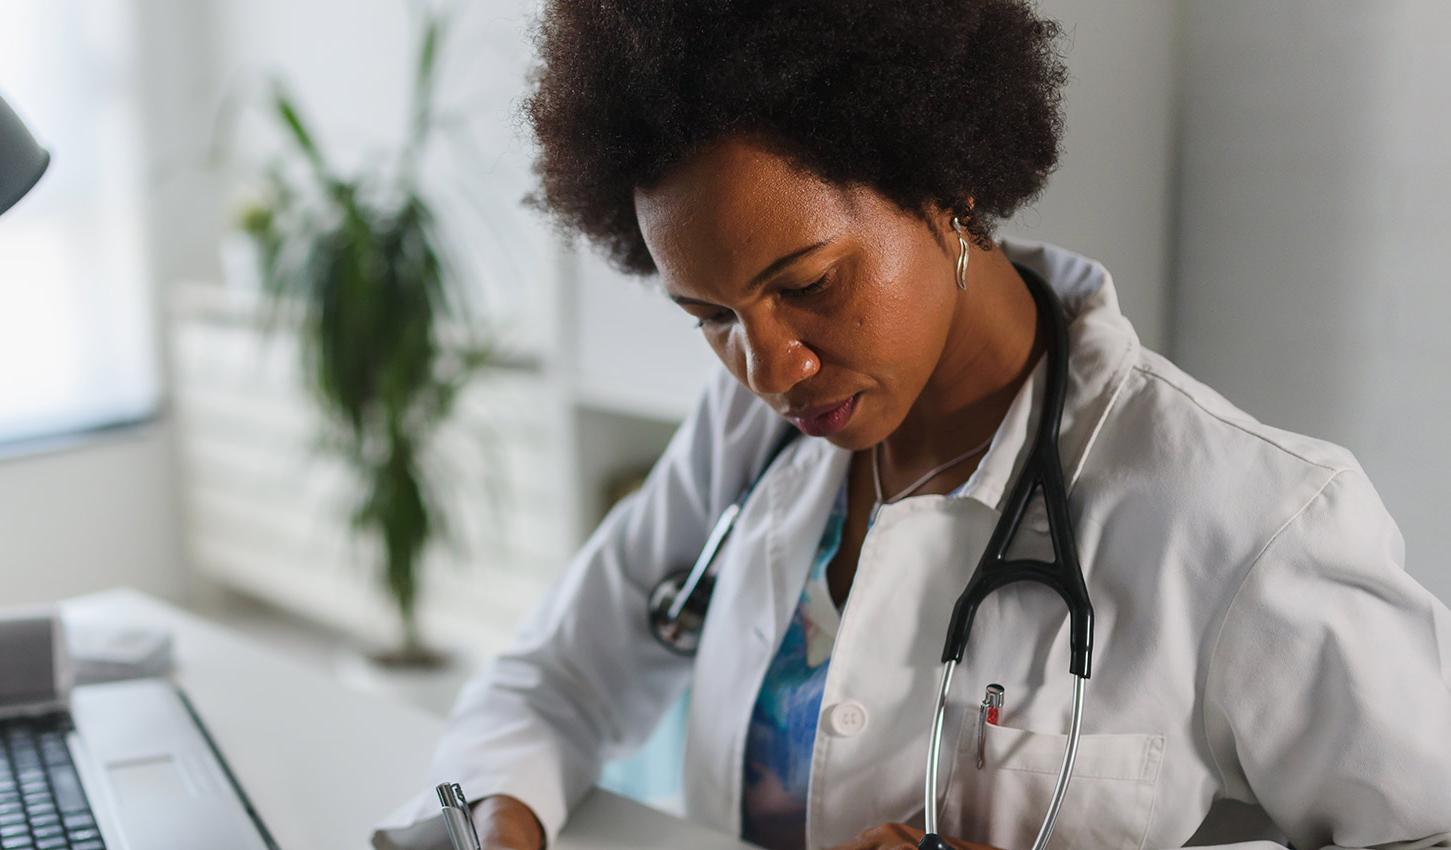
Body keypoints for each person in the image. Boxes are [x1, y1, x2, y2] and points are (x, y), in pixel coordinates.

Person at [373, 2, 1451, 849]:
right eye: (711, 317)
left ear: (950, 187)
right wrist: (493, 822)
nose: (767, 369)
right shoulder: (747, 437)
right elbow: (557, 677)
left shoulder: (1245, 517)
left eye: (808, 282)